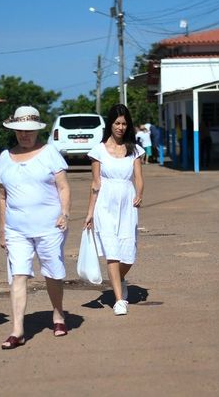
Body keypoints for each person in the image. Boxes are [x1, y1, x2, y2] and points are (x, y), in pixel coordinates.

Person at [0, 106, 71, 349]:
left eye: (28, 131)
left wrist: (65, 212)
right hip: (16, 229)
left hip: (50, 225)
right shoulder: (5, 157)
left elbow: (63, 187)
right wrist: (3, 229)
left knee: (52, 272)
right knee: (18, 274)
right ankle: (17, 330)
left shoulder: (50, 153)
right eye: (19, 130)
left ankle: (58, 314)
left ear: (37, 130)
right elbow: (2, 196)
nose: (24, 135)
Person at [84, 104, 144, 316]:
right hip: (105, 205)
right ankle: (119, 300)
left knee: (128, 256)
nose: (120, 127)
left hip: (127, 203)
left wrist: (139, 193)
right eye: (117, 123)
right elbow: (95, 183)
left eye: (124, 123)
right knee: (112, 252)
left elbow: (138, 177)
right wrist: (90, 212)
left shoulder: (134, 149)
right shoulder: (98, 150)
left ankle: (119, 279)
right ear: (110, 124)